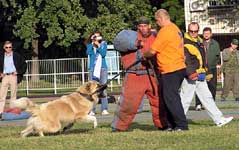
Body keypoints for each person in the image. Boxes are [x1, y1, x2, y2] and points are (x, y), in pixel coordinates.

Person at [111, 16, 167, 132]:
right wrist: (136, 43)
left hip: (153, 74)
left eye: (145, 26)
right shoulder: (129, 36)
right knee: (128, 103)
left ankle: (163, 125)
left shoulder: (157, 36)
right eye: (140, 26)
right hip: (134, 75)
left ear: (149, 26)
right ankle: (118, 127)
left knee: (159, 102)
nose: (143, 28)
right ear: (138, 27)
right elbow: (117, 43)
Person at [180, 22, 233, 127]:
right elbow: (186, 61)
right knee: (185, 100)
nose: (193, 33)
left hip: (200, 75)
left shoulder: (199, 42)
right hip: (191, 76)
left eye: (195, 31)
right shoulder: (185, 42)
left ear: (198, 31)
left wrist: (207, 72)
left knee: (207, 98)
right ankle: (177, 122)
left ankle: (219, 119)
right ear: (188, 30)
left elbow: (204, 59)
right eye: (191, 31)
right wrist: (191, 74)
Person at [143, 9, 188, 131]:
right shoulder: (176, 29)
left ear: (161, 19)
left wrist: (144, 55)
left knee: (171, 98)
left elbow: (152, 51)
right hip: (179, 67)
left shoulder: (165, 31)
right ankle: (171, 124)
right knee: (169, 97)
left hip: (170, 69)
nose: (157, 23)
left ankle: (181, 125)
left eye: (157, 21)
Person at [195, 27, 221, 111]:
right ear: (203, 34)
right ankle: (198, 104)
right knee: (200, 86)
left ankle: (211, 104)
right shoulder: (199, 43)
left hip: (212, 68)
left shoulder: (215, 43)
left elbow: (217, 56)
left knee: (212, 87)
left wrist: (215, 64)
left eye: (208, 33)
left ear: (211, 34)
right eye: (205, 33)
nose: (206, 35)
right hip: (201, 69)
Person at [0, 41, 27, 118]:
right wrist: (0, 73)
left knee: (13, 95)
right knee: (1, 95)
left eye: (10, 47)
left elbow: (24, 65)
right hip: (5, 77)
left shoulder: (16, 55)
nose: (8, 49)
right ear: (4, 48)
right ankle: (0, 112)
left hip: (13, 76)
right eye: (7, 47)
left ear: (12, 47)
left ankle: (12, 112)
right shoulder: (1, 56)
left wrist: (18, 72)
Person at [86, 31, 109, 116]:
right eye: (95, 36)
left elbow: (103, 54)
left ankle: (104, 109)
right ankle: (92, 109)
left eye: (98, 36)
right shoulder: (90, 45)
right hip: (92, 68)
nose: (96, 38)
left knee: (103, 88)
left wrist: (98, 45)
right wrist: (92, 43)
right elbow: (88, 52)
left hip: (102, 68)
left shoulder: (103, 44)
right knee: (92, 89)